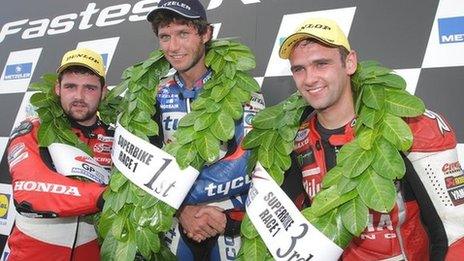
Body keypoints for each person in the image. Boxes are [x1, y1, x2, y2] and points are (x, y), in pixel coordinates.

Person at [277, 18, 464, 260]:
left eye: (321, 64)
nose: (309, 79)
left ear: (350, 62)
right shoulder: (296, 137)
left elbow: (455, 235)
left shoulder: (408, 127)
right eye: (299, 69)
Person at [146, 0, 264, 259]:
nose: (174, 47)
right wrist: (180, 208)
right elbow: (143, 164)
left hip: (226, 219)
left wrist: (179, 197)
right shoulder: (155, 94)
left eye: (183, 34)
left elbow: (248, 160)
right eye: (165, 36)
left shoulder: (240, 89)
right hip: (174, 221)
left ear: (206, 34)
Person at [6, 48, 113, 260]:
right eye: (70, 86)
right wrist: (106, 196)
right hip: (33, 254)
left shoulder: (116, 137)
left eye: (90, 88)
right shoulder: (33, 130)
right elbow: (30, 190)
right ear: (58, 89)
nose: (79, 97)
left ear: (104, 92)